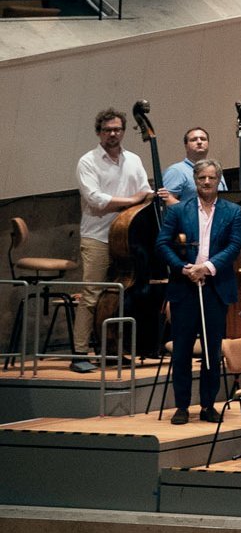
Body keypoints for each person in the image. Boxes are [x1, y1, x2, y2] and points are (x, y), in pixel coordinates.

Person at [155, 159, 241, 422]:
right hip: (184, 287)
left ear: (218, 180)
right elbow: (162, 244)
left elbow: (234, 246)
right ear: (194, 181)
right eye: (201, 178)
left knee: (211, 350)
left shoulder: (233, 212)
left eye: (210, 178)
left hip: (214, 287)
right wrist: (184, 268)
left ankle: (208, 404)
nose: (206, 183)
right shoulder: (177, 211)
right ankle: (182, 406)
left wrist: (206, 267)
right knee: (182, 350)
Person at [74, 107, 154, 370]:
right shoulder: (88, 161)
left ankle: (114, 349)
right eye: (107, 130)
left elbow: (144, 190)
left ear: (123, 131)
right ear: (99, 132)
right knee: (92, 294)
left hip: (128, 237)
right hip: (98, 236)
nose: (113, 134)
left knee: (125, 294)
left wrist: (152, 195)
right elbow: (95, 199)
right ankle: (80, 353)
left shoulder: (133, 159)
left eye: (117, 129)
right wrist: (131, 201)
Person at [158, 126, 211, 205]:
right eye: (194, 140)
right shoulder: (176, 171)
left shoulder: (215, 171)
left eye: (203, 139)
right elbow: (165, 203)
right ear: (186, 146)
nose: (199, 142)